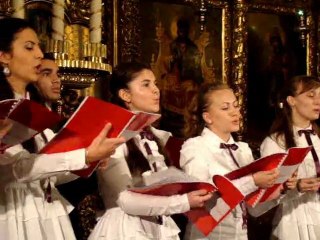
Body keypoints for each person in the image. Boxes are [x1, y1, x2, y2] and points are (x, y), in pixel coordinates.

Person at [0, 17, 125, 240]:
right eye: (29, 47)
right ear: (4, 56)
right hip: (14, 213)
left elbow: (48, 175)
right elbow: (18, 169)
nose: (39, 54)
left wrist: (90, 158)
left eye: (38, 46)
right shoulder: (4, 108)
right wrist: (84, 156)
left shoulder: (33, 109)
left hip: (45, 209)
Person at [89, 61, 213, 240]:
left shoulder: (155, 136)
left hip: (158, 225)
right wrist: (183, 202)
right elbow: (125, 200)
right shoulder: (112, 138)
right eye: (146, 85)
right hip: (125, 229)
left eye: (155, 83)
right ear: (125, 94)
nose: (156, 90)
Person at [180, 83, 279, 240]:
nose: (235, 113)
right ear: (208, 117)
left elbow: (253, 209)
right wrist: (252, 181)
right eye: (225, 108)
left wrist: (280, 189)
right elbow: (202, 196)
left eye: (235, 106)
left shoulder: (243, 149)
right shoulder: (195, 146)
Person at [255, 75, 320, 240]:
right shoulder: (275, 142)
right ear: (292, 100)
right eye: (311, 95)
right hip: (293, 220)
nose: (318, 101)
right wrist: (296, 187)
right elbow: (267, 193)